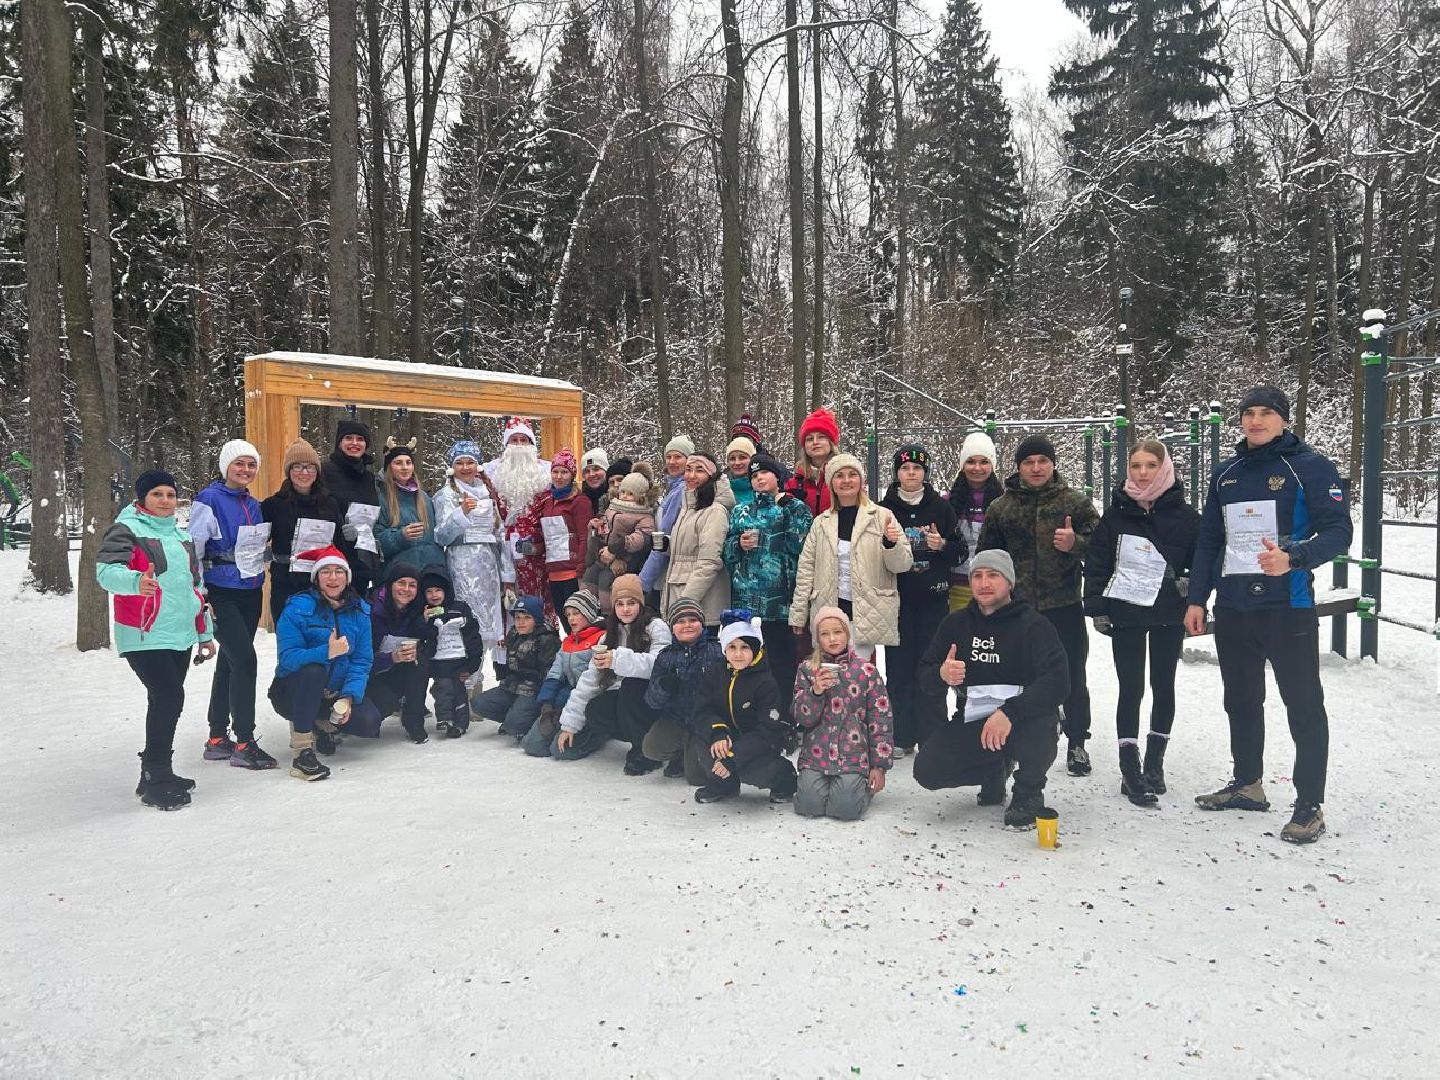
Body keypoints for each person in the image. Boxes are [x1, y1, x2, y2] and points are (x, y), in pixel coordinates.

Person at [1186, 385, 1352, 844]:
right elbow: (1208, 542)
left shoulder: (1311, 468)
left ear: (1283, 419)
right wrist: (1197, 599)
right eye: (1248, 414)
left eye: (1266, 413)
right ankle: (1248, 784)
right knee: (1240, 700)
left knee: (1302, 705)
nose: (1255, 421)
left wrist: (1294, 557)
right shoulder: (1226, 474)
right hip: (1235, 608)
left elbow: (1339, 532)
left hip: (1288, 607)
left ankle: (1309, 805)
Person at [913, 551, 1069, 829]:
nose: (984, 583)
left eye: (993, 575)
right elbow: (924, 678)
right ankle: (993, 770)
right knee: (927, 770)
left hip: (1024, 720)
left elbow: (1058, 681)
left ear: (1009, 582)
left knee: (1042, 729)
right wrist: (941, 673)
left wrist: (1011, 711)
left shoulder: (1034, 625)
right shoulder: (955, 624)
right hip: (974, 721)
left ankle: (1028, 792)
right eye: (977, 576)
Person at [1083, 439, 1200, 806]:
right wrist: (1097, 606)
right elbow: (1098, 561)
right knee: (1130, 687)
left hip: (1168, 613)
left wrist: (1190, 588)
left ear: (1164, 469)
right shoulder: (1116, 515)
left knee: (1163, 684)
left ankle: (1154, 761)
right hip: (1127, 611)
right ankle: (1129, 767)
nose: (1143, 472)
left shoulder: (1186, 517)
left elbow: (1204, 561)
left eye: (1151, 465)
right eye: (1136, 466)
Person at [977, 435, 1100, 777]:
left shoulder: (1074, 503)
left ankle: (1077, 741)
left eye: (1042, 461)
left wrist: (1077, 543)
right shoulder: (1001, 508)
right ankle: (1010, 741)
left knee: (1072, 673)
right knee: (1014, 676)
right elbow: (985, 557)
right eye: (1028, 462)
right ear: (1018, 467)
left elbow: (1103, 547)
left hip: (1063, 604)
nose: (1036, 468)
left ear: (1052, 464)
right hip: (1015, 611)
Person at [96, 470, 216, 809]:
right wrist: (136, 581)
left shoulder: (181, 535)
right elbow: (105, 572)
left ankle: (155, 770)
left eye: (169, 494)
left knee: (166, 700)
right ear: (143, 498)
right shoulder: (126, 529)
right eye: (157, 495)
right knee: (168, 696)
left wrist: (204, 632)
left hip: (180, 631)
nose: (165, 501)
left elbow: (195, 587)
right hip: (144, 631)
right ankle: (156, 776)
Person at [189, 438, 274, 769]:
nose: (246, 470)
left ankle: (216, 737)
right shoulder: (208, 500)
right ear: (226, 466)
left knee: (230, 660)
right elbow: (193, 550)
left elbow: (255, 546)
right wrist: (201, 592)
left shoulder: (253, 504)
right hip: (219, 592)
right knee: (246, 660)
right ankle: (244, 740)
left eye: (252, 464)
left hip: (250, 590)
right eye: (239, 463)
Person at [880, 444, 963, 755]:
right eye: (904, 468)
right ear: (897, 473)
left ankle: (932, 733)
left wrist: (941, 544)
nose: (911, 473)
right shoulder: (883, 509)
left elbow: (961, 551)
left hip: (933, 599)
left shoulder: (941, 508)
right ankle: (900, 735)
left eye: (916, 468)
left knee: (931, 666)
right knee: (899, 668)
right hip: (897, 600)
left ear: (925, 473)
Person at [271, 547, 380, 782]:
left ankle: (321, 723)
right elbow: (288, 658)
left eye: (339, 571)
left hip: (334, 692)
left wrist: (348, 697)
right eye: (326, 572)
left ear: (347, 577)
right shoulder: (298, 608)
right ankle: (302, 753)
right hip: (292, 691)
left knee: (369, 722)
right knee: (313, 670)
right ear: (317, 578)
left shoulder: (360, 611)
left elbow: (361, 661)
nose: (333, 578)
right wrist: (326, 652)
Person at [790, 454, 913, 660]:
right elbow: (806, 570)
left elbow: (902, 564)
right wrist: (799, 613)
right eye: (839, 476)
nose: (846, 481)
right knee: (830, 675)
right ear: (831, 483)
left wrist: (891, 544)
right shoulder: (821, 523)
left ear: (861, 480)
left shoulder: (882, 516)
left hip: (865, 613)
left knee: (856, 677)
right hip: (829, 613)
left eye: (852, 475)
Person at [722, 452, 812, 722]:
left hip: (780, 603)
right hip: (747, 603)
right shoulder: (740, 511)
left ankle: (783, 717)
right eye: (754, 475)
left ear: (777, 476)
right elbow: (726, 556)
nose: (759, 478)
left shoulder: (793, 507)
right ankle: (751, 718)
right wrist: (738, 545)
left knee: (783, 665)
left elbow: (802, 545)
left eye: (765, 473)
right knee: (751, 662)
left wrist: (792, 506)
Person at [554, 574, 671, 771]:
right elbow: (589, 680)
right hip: (624, 700)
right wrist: (569, 724)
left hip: (653, 698)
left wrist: (617, 659)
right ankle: (637, 736)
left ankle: (644, 751)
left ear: (640, 604)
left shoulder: (655, 627)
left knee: (630, 685)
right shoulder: (609, 635)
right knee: (595, 709)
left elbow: (660, 664)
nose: (625, 609)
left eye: (631, 603)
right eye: (620, 604)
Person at [792, 607, 893, 821]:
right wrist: (815, 692)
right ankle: (823, 787)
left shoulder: (866, 671)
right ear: (816, 639)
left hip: (853, 755)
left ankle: (856, 789)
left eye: (837, 632)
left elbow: (880, 720)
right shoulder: (807, 670)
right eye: (824, 634)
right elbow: (802, 718)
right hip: (816, 755)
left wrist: (879, 766)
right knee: (808, 806)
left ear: (847, 633)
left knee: (845, 809)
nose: (832, 639)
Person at [693, 614, 797, 804]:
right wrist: (718, 732)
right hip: (729, 737)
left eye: (745, 647)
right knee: (704, 742)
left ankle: (784, 779)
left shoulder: (765, 682)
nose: (738, 654)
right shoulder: (714, 673)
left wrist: (734, 758)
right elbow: (702, 710)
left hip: (758, 745)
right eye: (732, 647)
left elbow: (768, 729)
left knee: (752, 769)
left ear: (755, 649)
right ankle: (724, 785)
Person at [432, 440, 506, 665]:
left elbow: (499, 531)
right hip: (461, 564)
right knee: (466, 621)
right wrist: (460, 513)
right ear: (453, 467)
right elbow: (441, 535)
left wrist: (506, 571)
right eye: (460, 463)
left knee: (488, 626)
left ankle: (479, 675)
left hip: (488, 567)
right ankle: (464, 678)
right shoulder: (446, 495)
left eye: (470, 462)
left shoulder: (489, 493)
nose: (465, 468)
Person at [641, 596, 725, 782]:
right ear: (672, 627)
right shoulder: (665, 656)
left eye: (693, 620)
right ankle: (680, 754)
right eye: (680, 621)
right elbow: (651, 700)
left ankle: (694, 754)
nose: (687, 625)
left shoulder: (718, 651)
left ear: (702, 624)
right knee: (651, 747)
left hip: (707, 721)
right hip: (677, 719)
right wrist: (663, 686)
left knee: (697, 778)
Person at [262, 438, 344, 625]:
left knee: (321, 644)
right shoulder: (273, 505)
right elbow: (258, 540)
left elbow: (339, 545)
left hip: (322, 586)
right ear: (288, 471)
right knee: (290, 646)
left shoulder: (330, 504)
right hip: (285, 586)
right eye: (297, 466)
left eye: (310, 467)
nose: (304, 472)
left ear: (317, 471)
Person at [487, 416, 555, 632]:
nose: (518, 445)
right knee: (506, 606)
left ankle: (545, 646)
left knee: (540, 603)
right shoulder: (491, 473)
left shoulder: (546, 473)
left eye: (524, 440)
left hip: (538, 554)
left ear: (532, 445)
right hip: (502, 551)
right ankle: (507, 658)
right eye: (513, 440)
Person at [659, 452, 736, 632]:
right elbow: (688, 551)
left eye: (699, 470)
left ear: (711, 475)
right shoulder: (688, 508)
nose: (692, 476)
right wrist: (668, 545)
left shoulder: (714, 511)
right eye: (688, 469)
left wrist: (686, 603)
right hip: (681, 599)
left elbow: (709, 562)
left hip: (701, 607)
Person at [526, 590, 607, 757]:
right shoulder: (569, 640)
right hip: (566, 698)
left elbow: (594, 682)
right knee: (533, 746)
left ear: (589, 613)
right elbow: (555, 674)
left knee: (560, 751)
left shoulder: (602, 638)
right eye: (568, 614)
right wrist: (547, 705)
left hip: (590, 700)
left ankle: (598, 733)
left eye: (576, 613)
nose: (570, 619)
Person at [471, 595, 560, 739]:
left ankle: (525, 721)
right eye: (518, 618)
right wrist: (500, 663)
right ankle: (514, 718)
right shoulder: (513, 634)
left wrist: (546, 703)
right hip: (512, 686)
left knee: (515, 725)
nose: (521, 622)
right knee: (478, 703)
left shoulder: (547, 639)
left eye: (526, 618)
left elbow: (548, 676)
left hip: (534, 691)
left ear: (536, 619)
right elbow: (509, 668)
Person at [365, 561, 431, 743]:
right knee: (381, 705)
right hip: (368, 674)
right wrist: (389, 658)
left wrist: (425, 626)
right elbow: (358, 658)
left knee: (421, 661)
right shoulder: (370, 610)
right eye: (401, 583)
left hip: (397, 670)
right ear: (390, 584)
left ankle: (413, 720)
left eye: (412, 585)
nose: (406, 589)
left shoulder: (417, 609)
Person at [418, 565, 484, 738]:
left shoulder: (460, 608)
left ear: (446, 590)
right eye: (429, 591)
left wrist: (472, 665)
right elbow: (421, 638)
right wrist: (425, 622)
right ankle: (445, 719)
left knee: (460, 692)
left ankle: (461, 724)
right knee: (444, 688)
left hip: (460, 662)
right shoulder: (423, 612)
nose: (434, 595)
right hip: (438, 664)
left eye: (438, 590)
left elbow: (473, 637)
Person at [529, 448, 594, 615]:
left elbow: (584, 537)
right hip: (553, 572)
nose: (558, 476)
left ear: (572, 475)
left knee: (577, 620)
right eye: (555, 471)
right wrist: (534, 548)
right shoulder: (547, 502)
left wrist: (580, 570)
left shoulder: (579, 502)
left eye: (564, 472)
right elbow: (548, 539)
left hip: (572, 573)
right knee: (563, 619)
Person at [322, 418, 381, 596]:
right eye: (349, 438)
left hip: (362, 558)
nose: (354, 443)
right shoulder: (324, 472)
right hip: (333, 558)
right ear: (339, 443)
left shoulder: (370, 478)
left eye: (360, 439)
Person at [946, 431, 1003, 612]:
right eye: (971, 461)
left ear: (992, 465)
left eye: (984, 461)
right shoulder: (947, 502)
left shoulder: (1005, 502)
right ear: (962, 465)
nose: (977, 468)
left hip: (996, 589)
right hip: (957, 588)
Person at [581, 470, 655, 609]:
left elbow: (641, 537)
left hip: (626, 558)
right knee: (589, 576)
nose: (625, 496)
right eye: (623, 492)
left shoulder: (643, 515)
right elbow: (606, 527)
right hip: (604, 554)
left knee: (606, 580)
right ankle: (587, 609)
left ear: (639, 497)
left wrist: (617, 547)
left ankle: (608, 612)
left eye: (630, 494)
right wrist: (597, 527)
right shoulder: (612, 508)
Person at [639, 434, 695, 608]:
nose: (672, 462)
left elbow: (663, 539)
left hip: (668, 574)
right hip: (665, 572)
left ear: (689, 460)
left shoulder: (681, 491)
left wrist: (643, 581)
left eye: (678, 457)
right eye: (669, 457)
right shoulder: (673, 489)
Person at [376, 438, 445, 572]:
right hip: (400, 574)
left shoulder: (424, 497)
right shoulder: (381, 497)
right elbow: (376, 541)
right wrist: (400, 536)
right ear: (389, 467)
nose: (404, 467)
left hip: (431, 570)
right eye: (398, 463)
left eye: (408, 462)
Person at [785, 406, 840, 516]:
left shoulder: (844, 477)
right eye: (809, 439)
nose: (815, 442)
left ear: (831, 442)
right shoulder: (794, 483)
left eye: (821, 437)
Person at [724, 436, 756, 507]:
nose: (737, 462)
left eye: (742, 457)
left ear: (752, 459)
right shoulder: (720, 489)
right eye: (732, 458)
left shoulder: (764, 487)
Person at [579, 448, 611, 514]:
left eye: (596, 469)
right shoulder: (579, 501)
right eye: (587, 471)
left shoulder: (618, 497)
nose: (592, 474)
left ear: (606, 471)